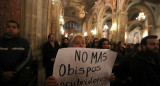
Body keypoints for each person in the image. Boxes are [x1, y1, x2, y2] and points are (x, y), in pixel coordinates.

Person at [0, 20, 33, 86]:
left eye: (14, 27)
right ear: (6, 28)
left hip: (20, 78)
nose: (11, 28)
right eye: (9, 26)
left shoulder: (24, 42)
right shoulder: (1, 41)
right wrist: (2, 73)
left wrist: (13, 72)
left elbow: (27, 58)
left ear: (18, 30)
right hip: (2, 77)